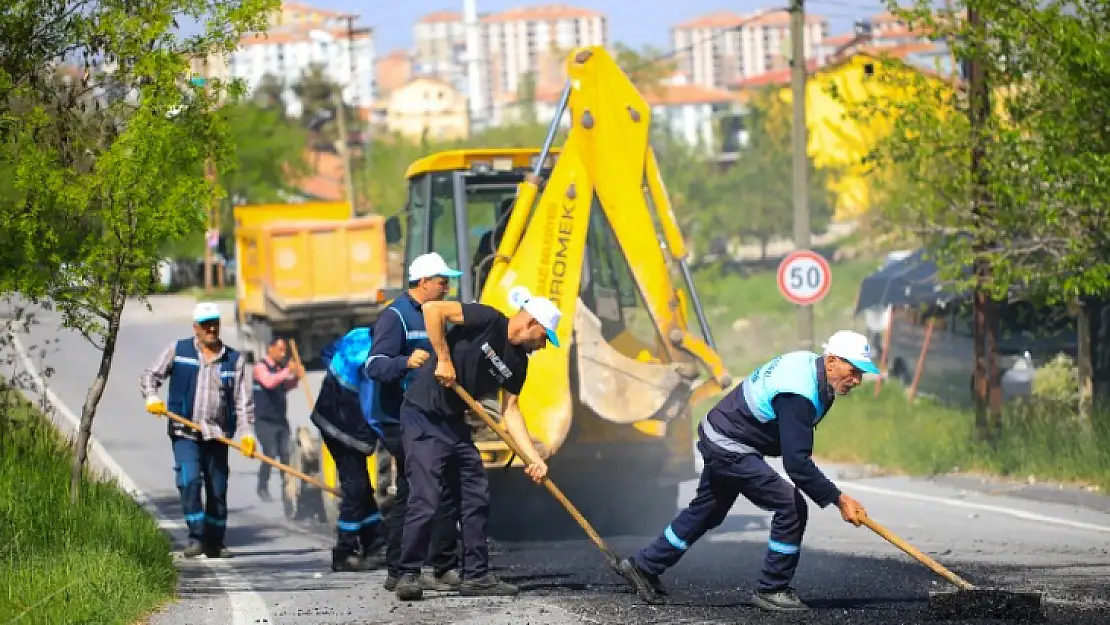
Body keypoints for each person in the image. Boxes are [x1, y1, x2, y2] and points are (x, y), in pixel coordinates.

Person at [617, 330, 876, 612]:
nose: (857, 380)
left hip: (722, 433)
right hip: (730, 444)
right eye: (853, 371)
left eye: (861, 373)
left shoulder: (809, 367)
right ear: (831, 361)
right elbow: (797, 464)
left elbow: (793, 445)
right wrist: (839, 499)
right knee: (791, 505)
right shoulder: (798, 392)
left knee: (708, 510)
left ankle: (643, 566)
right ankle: (772, 588)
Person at [392, 286, 559, 601]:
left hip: (455, 422)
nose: (542, 346)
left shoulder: (519, 363)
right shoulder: (488, 319)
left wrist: (531, 458)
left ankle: (477, 575)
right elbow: (433, 310)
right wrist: (443, 359)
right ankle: (408, 573)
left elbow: (510, 411)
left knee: (475, 494)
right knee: (426, 496)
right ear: (531, 323)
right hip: (422, 415)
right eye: (543, 338)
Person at [365, 252, 464, 593]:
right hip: (399, 418)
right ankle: (402, 569)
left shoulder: (440, 314)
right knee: (416, 489)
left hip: (433, 413)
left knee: (442, 486)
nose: (447, 287)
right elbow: (375, 366)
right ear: (424, 283)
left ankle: (439, 565)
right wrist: (405, 362)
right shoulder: (396, 317)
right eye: (442, 282)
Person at [141, 302, 256, 559]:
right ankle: (196, 537)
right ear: (196, 328)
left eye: (215, 323)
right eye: (206, 325)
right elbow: (150, 375)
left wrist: (247, 433)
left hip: (217, 435)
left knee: (217, 489)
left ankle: (215, 542)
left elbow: (243, 401)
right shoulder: (178, 350)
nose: (212, 329)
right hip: (185, 431)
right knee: (189, 481)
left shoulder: (233, 360)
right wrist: (151, 396)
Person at [311, 325, 386, 572]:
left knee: (362, 485)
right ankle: (344, 551)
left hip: (326, 414)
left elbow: (327, 352)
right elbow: (371, 407)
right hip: (345, 427)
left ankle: (375, 544)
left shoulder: (357, 335)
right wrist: (387, 437)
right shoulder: (372, 361)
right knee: (355, 488)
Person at [251, 337, 302, 502]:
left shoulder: (280, 369)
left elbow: (284, 386)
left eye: (284, 350)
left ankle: (287, 491)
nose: (283, 353)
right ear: (270, 349)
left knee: (286, 455)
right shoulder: (260, 367)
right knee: (270, 453)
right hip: (264, 421)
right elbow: (270, 382)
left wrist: (296, 376)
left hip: (280, 420)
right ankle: (262, 486)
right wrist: (287, 370)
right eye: (280, 350)